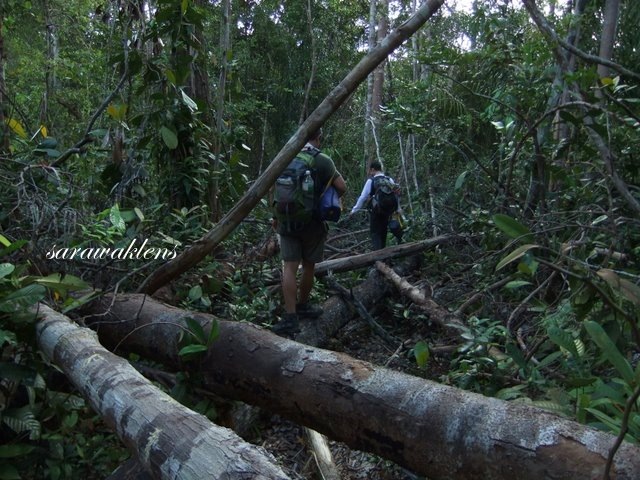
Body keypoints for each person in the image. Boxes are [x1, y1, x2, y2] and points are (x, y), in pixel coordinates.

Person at [272, 129, 347, 336]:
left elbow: (276, 190)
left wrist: (275, 216)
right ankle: (303, 304)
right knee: (308, 266)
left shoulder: (285, 155)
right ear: (318, 137)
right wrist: (326, 197)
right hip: (313, 223)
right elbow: (342, 186)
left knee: (289, 267)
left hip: (286, 221)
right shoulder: (322, 160)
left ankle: (290, 317)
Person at [350, 161, 399, 250]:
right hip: (388, 211)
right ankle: (383, 255)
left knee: (375, 233)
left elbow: (363, 197)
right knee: (383, 232)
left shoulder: (371, 181)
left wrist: (354, 210)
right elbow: (395, 195)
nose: (369, 172)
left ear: (373, 169)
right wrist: (398, 209)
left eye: (370, 170)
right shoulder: (389, 180)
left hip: (376, 211)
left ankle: (378, 257)